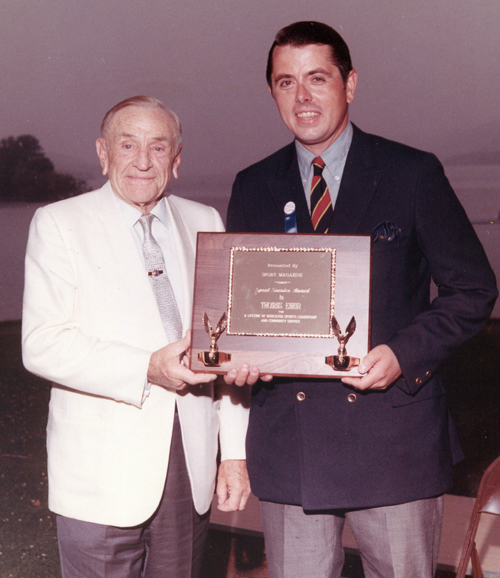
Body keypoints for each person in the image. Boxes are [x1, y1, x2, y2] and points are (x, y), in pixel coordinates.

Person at [226, 21, 498, 578]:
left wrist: (403, 354)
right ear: (273, 93)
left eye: (317, 78)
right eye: (285, 82)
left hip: (392, 443)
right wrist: (241, 353)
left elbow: (474, 289)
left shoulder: (412, 172)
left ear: (350, 84)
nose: (302, 97)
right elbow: (244, 310)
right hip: (291, 448)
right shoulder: (251, 185)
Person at [22, 95, 261, 578]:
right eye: (127, 145)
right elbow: (41, 343)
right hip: (98, 475)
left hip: (188, 466)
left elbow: (226, 351)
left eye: (158, 147)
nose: (142, 161)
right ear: (103, 153)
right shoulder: (59, 223)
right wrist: (145, 367)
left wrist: (233, 454)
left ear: (176, 160)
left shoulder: (205, 222)